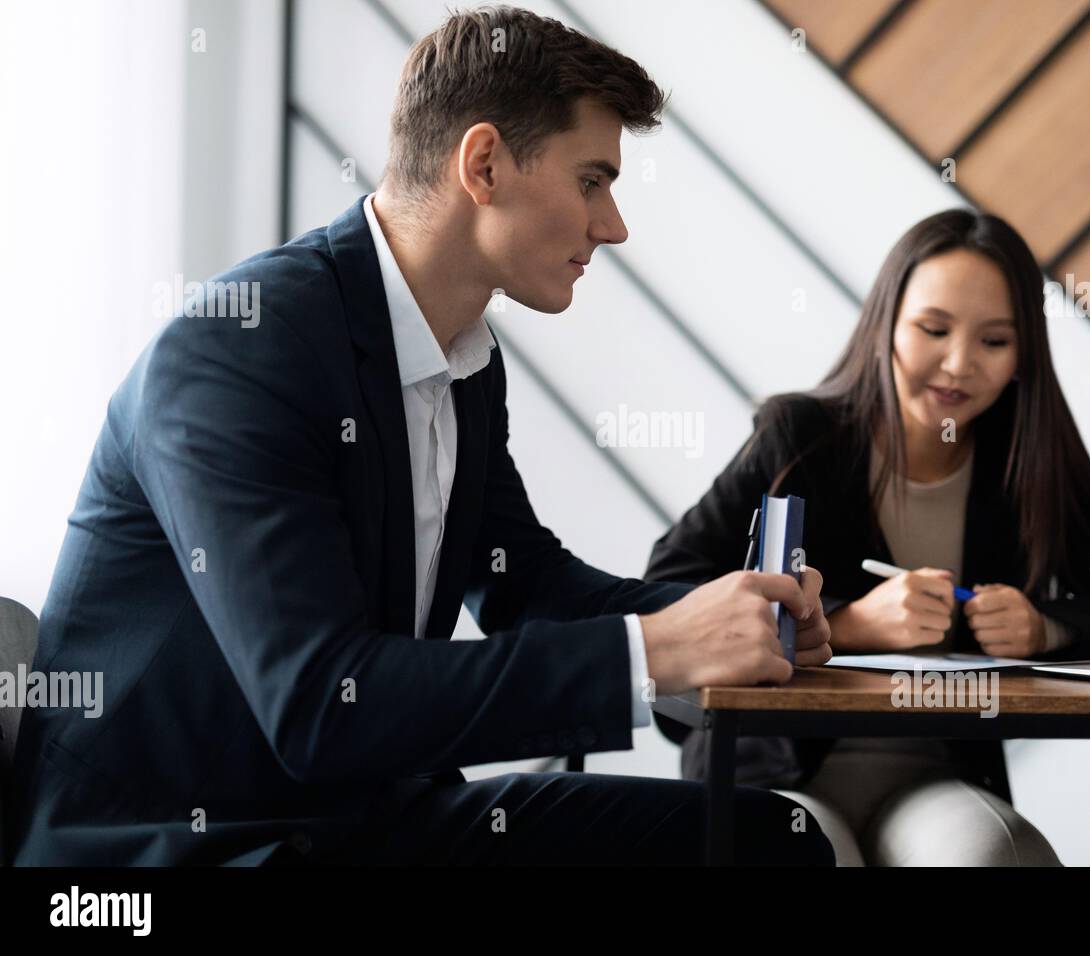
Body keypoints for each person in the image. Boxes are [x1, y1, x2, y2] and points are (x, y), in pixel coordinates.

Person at [5, 6, 835, 867]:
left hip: (360, 816)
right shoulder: (237, 350)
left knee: (775, 840)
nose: (612, 224)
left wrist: (728, 618)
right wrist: (655, 650)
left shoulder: (466, 359)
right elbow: (322, 703)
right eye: (592, 180)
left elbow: (524, 583)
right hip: (169, 847)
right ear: (483, 164)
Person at [645, 209, 1090, 866]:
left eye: (994, 342)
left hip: (931, 780)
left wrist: (1047, 628)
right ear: (887, 323)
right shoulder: (799, 437)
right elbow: (666, 589)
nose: (958, 365)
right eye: (934, 329)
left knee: (994, 856)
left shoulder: (1024, 464)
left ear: (1025, 355)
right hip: (772, 769)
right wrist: (842, 627)